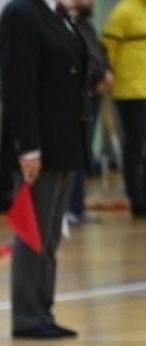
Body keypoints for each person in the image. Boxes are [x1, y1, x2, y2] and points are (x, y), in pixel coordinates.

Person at [0, 0, 86, 339]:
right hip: (41, 145)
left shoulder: (57, 15)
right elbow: (18, 85)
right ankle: (27, 316)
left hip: (64, 144)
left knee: (49, 236)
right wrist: (29, 147)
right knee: (32, 234)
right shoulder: (20, 13)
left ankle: (43, 310)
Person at [67, 0, 112, 223]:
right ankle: (71, 208)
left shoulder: (87, 25)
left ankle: (78, 206)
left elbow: (99, 54)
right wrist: (96, 80)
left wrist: (107, 73)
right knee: (76, 155)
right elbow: (80, 60)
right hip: (82, 97)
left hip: (93, 97)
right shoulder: (69, 25)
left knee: (84, 156)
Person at [104, 0, 146, 216]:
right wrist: (106, 75)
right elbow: (107, 51)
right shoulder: (123, 12)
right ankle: (137, 199)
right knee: (135, 146)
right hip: (131, 92)